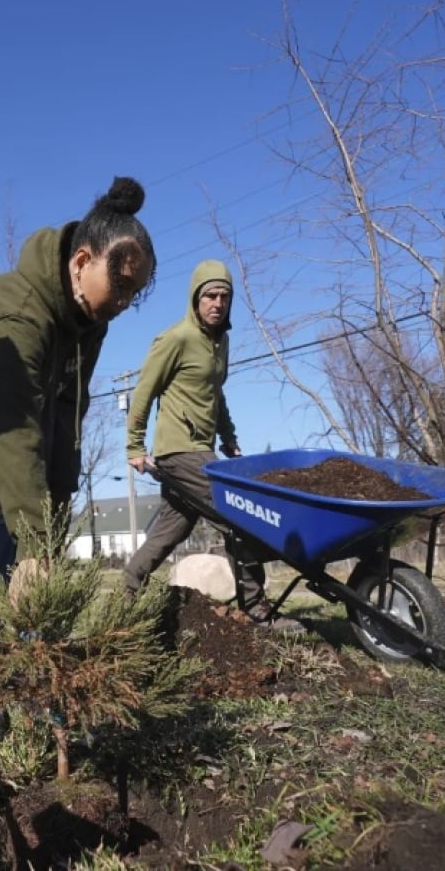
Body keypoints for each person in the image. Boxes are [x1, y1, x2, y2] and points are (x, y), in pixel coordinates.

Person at [0, 177, 157, 735]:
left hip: (16, 411)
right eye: (117, 286)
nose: (122, 303)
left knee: (38, 521)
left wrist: (55, 509)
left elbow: (67, 409)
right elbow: (12, 433)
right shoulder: (18, 315)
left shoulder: (88, 318)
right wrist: (35, 544)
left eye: (132, 294)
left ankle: (30, 663)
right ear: (81, 261)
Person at [122, 259, 303, 631]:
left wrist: (230, 439)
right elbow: (143, 392)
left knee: (171, 530)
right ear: (195, 298)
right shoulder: (176, 339)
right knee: (240, 516)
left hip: (202, 449)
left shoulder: (221, 343)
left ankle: (126, 600)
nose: (217, 303)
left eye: (224, 296)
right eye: (210, 296)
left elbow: (215, 396)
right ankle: (256, 609)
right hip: (179, 450)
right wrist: (134, 446)